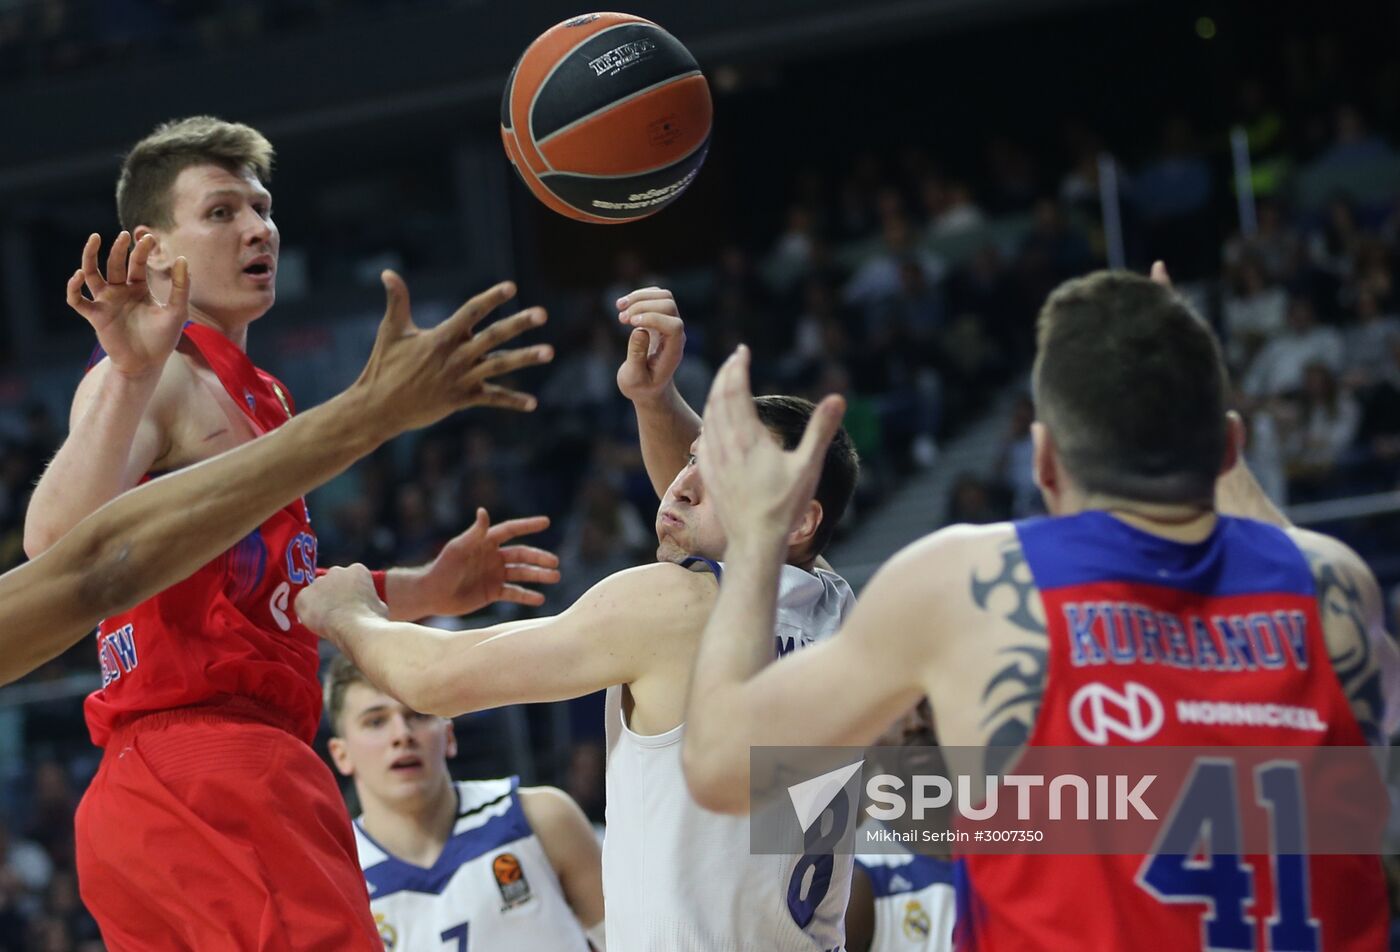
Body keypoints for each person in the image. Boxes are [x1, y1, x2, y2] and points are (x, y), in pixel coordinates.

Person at [680, 267, 1399, 950]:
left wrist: (758, 536)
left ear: (1045, 462)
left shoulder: (965, 581)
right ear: (1230, 445)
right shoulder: (1338, 591)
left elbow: (719, 766)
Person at [22, 116, 557, 951]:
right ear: (152, 248)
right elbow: (57, 550)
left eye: (262, 208)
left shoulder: (263, 394)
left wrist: (428, 590)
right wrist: (127, 372)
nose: (257, 229)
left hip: (160, 783)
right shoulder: (158, 377)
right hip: (213, 763)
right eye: (221, 212)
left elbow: (278, 595)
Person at [297, 288, 863, 952]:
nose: (682, 484)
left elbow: (435, 681)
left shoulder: (672, 605)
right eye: (692, 461)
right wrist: (656, 403)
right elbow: (735, 524)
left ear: (799, 520)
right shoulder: (832, 605)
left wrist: (351, 614)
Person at [323, 656, 605, 950]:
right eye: (376, 721)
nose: (401, 735)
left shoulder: (542, 818)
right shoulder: (336, 881)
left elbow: (634, 940)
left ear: (449, 734)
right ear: (341, 754)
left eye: (417, 715)